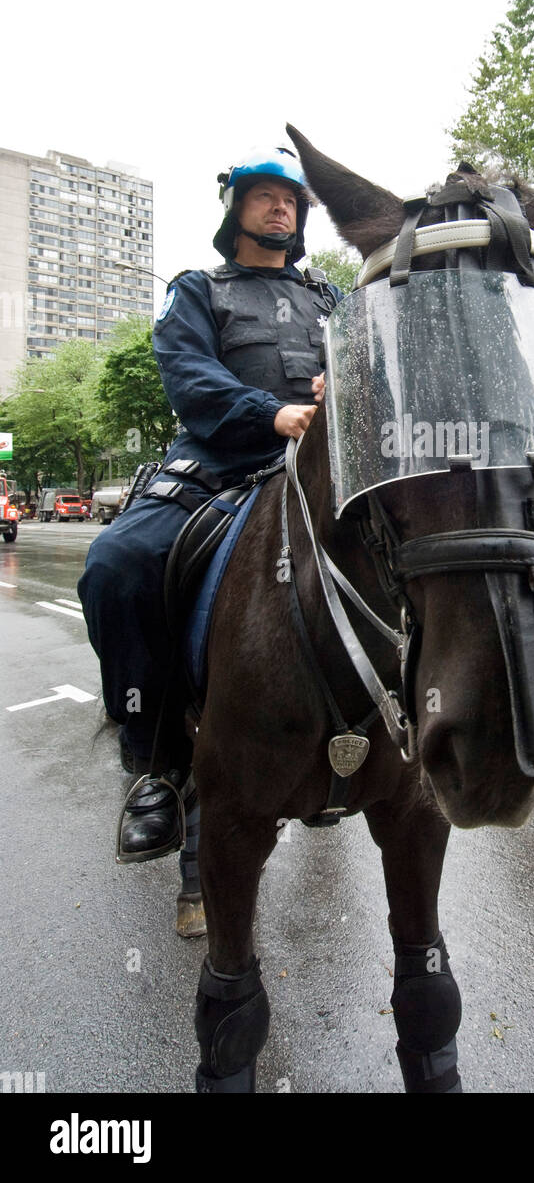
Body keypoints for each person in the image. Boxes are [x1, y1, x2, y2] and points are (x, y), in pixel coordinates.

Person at [78, 147, 343, 861]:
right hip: (217, 468)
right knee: (114, 566)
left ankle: (369, 738)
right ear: (237, 210)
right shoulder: (199, 290)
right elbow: (190, 380)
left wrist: (343, 386)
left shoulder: (329, 301)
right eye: (264, 195)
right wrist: (276, 412)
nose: (281, 206)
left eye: (291, 198)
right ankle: (155, 765)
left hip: (319, 470)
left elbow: (372, 369)